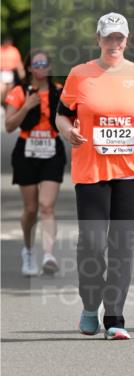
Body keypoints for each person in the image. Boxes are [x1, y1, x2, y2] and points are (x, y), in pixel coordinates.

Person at [55, 12, 134, 340]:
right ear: (99, 39)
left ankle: (115, 315)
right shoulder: (80, 75)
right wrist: (67, 133)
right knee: (92, 243)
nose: (114, 43)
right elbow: (62, 116)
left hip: (132, 171)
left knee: (122, 244)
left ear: (126, 40)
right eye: (108, 37)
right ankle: (90, 305)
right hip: (91, 170)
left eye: (119, 37)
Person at [4, 49, 65, 276]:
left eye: (45, 64)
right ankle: (28, 251)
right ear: (29, 67)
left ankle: (48, 254)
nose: (41, 68)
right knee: (31, 209)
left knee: (47, 206)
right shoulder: (19, 92)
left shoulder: (59, 91)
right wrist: (27, 106)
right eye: (36, 64)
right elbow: (9, 126)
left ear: (49, 67)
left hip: (52, 151)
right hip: (26, 153)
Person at [1, 36, 26, 104]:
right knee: (2, 89)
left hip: (11, 72)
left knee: (9, 90)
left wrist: (22, 73)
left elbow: (18, 63)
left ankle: (6, 104)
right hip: (2, 72)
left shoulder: (14, 50)